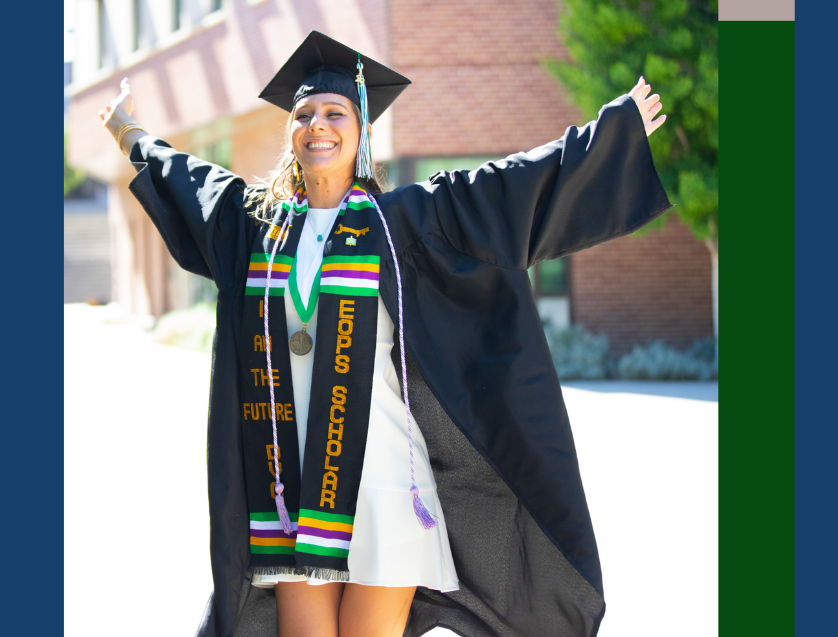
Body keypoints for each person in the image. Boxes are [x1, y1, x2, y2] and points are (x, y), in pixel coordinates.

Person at [100, 30, 668, 637]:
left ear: (361, 131)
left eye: (335, 112)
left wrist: (612, 137)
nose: (318, 124)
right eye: (304, 113)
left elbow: (510, 188)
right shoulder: (256, 229)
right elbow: (190, 183)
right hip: (288, 488)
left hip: (383, 482)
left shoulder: (406, 224)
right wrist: (128, 131)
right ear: (291, 133)